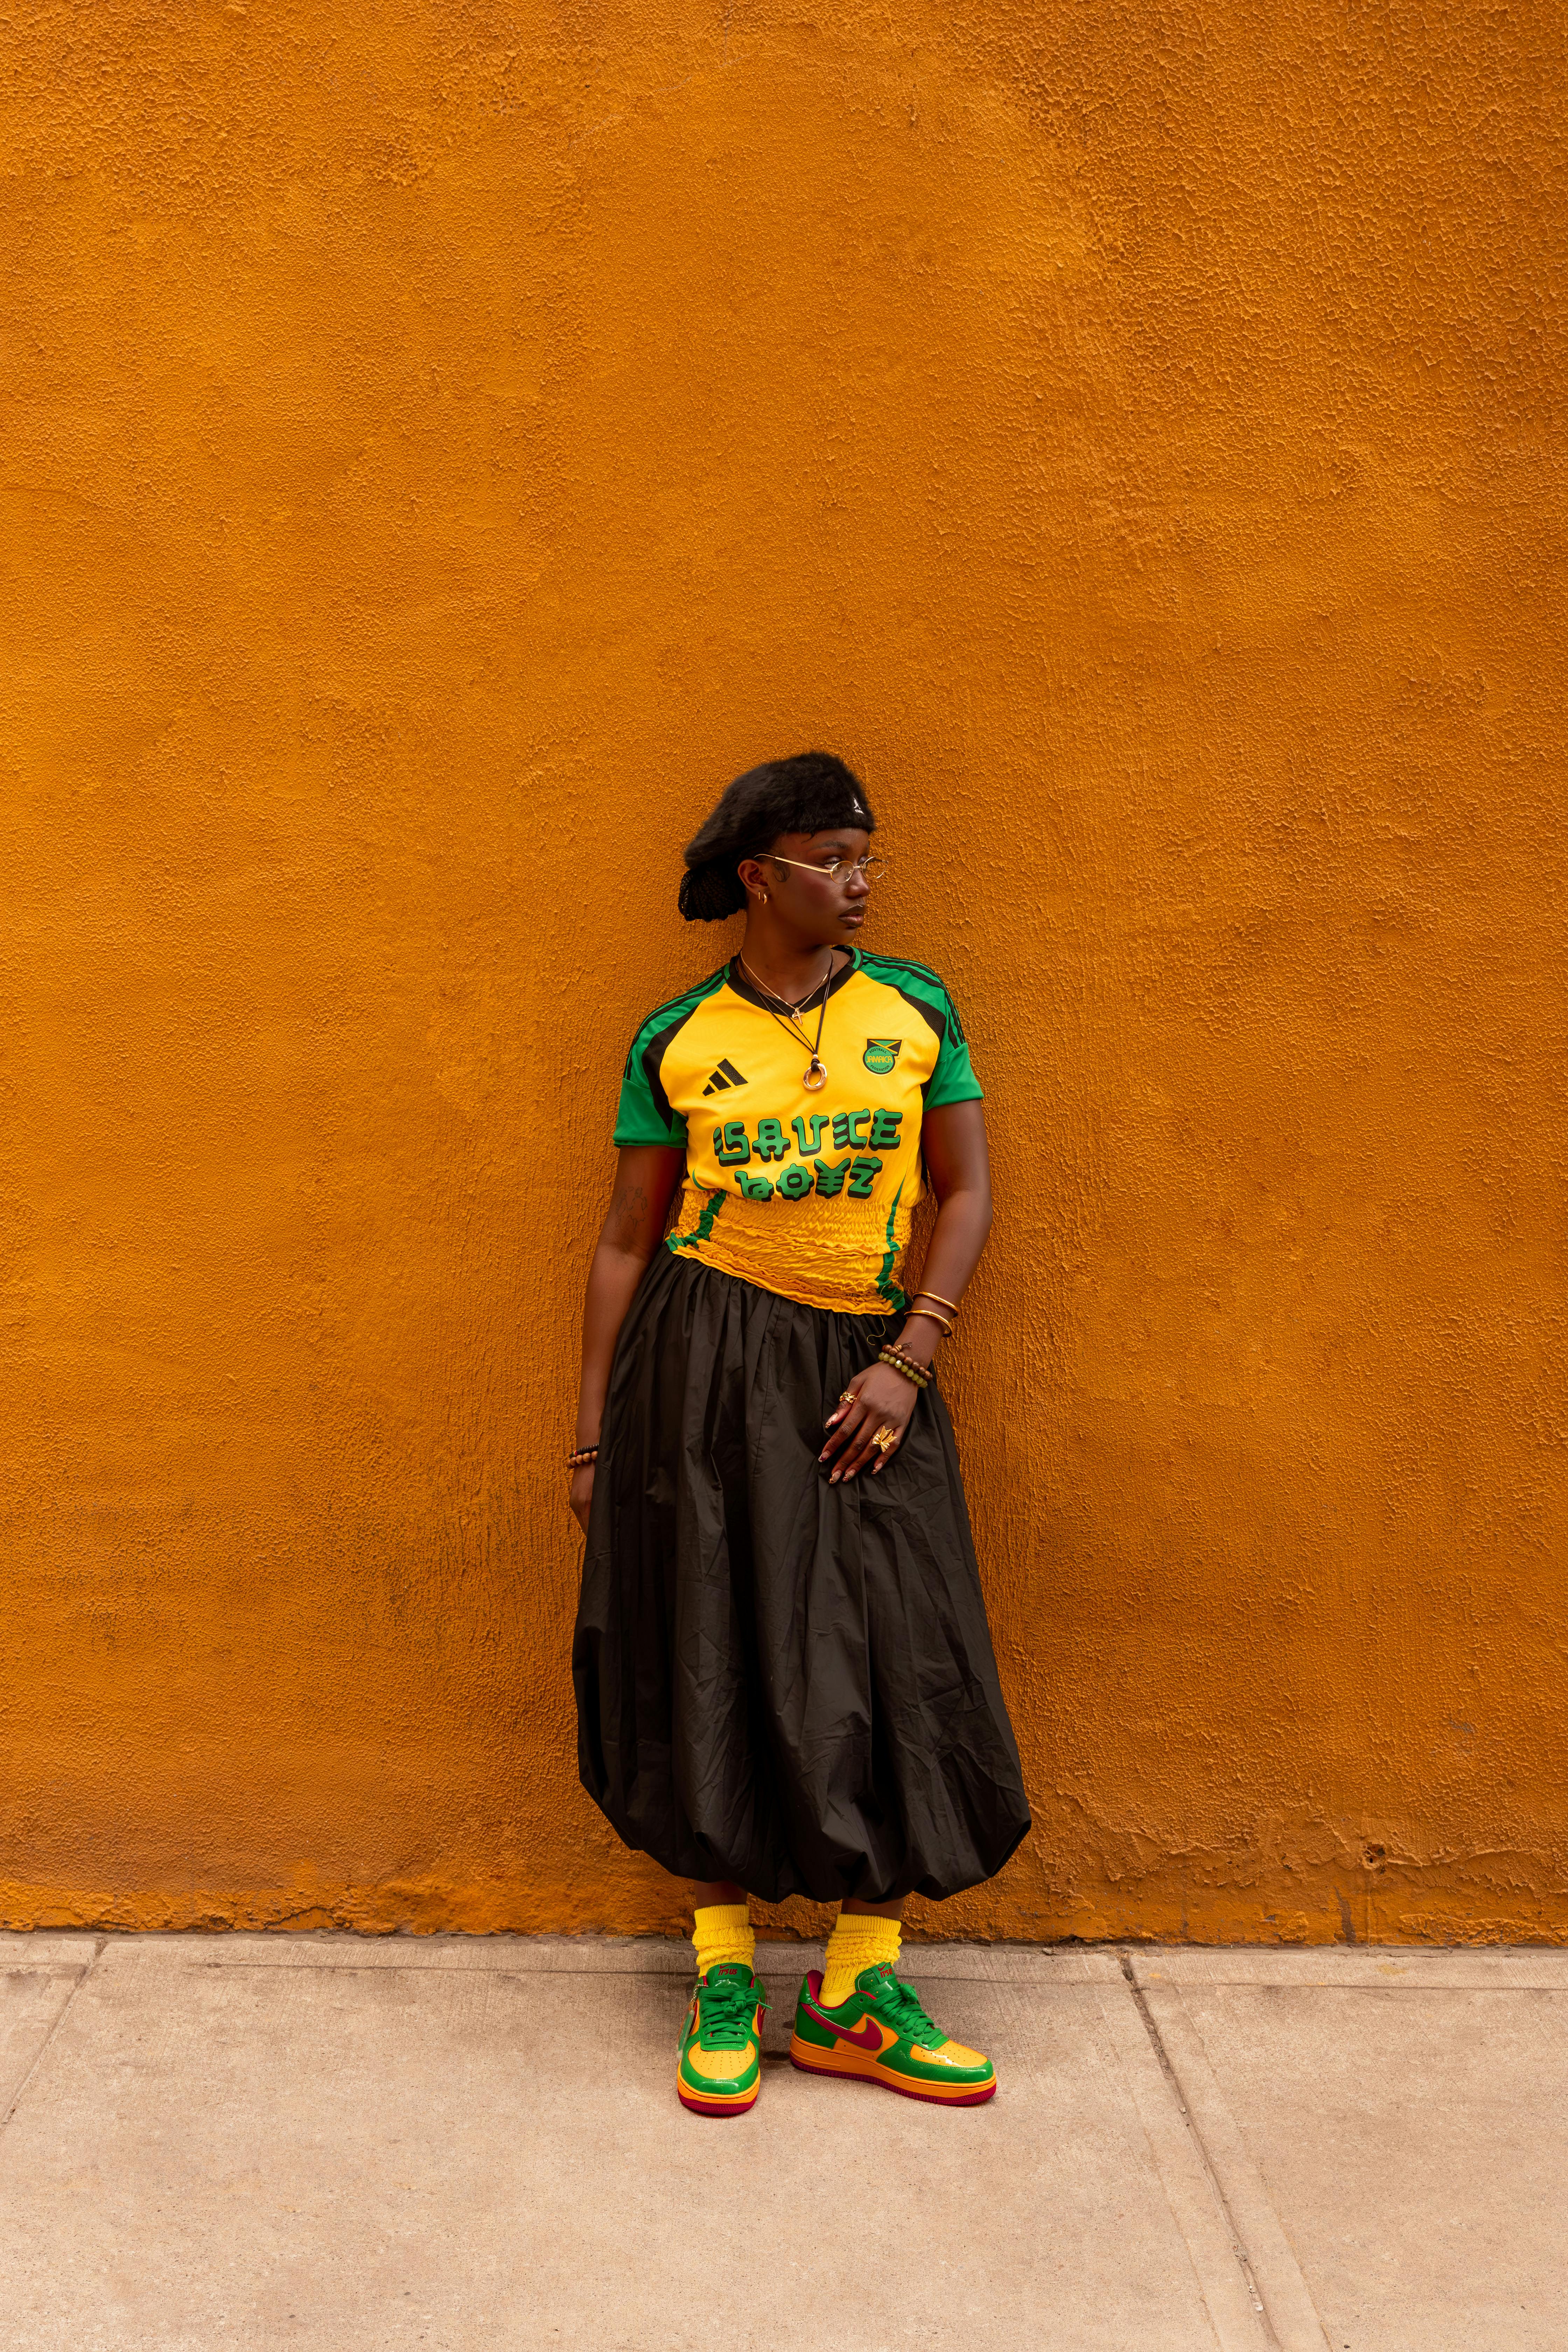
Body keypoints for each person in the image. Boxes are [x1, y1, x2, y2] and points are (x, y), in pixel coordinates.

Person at [569, 751, 1030, 2116]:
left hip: (860, 1361)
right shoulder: (678, 1039)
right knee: (706, 1639)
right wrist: (591, 1433)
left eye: (867, 856)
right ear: (761, 876)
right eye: (833, 858)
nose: (860, 881)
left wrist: (910, 1354)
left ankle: (856, 1991)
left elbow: (965, 1193)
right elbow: (621, 1240)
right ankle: (723, 1972)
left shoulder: (915, 1013)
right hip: (699, 1362)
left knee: (891, 1642)